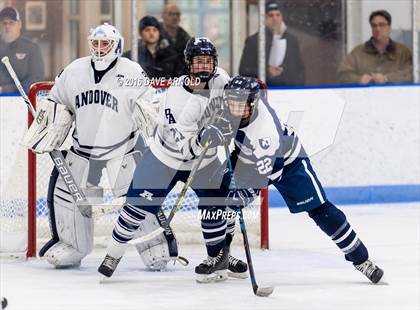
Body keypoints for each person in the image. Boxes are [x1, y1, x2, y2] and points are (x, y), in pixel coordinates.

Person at [98, 37, 247, 283]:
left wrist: (230, 119)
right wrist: (203, 137)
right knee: (135, 209)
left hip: (206, 161)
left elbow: (233, 105)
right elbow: (186, 149)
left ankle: (220, 256)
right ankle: (113, 255)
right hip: (165, 159)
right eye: (198, 62)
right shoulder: (176, 98)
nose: (204, 67)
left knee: (220, 205)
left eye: (208, 62)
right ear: (188, 64)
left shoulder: (221, 78)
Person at [217, 75, 385, 284]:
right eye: (232, 102)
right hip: (249, 156)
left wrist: (245, 193)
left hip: (287, 164)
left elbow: (270, 171)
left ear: (253, 103)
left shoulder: (266, 131)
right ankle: (221, 255)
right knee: (221, 199)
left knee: (322, 212)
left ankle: (362, 260)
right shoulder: (236, 107)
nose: (235, 108)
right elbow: (255, 86)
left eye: (240, 104)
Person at [21, 23, 158, 268]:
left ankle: (154, 246)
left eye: (105, 43)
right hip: (82, 148)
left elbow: (151, 105)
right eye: (95, 43)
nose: (99, 48)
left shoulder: (132, 72)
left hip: (123, 149)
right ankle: (72, 245)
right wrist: (49, 125)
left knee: (138, 196)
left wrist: (151, 121)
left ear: (117, 45)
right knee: (66, 194)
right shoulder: (74, 71)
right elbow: (57, 101)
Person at [238, 0, 304, 87]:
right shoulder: (254, 41)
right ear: (264, 18)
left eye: (278, 15)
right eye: (271, 15)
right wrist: (267, 72)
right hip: (264, 92)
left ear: (282, 17)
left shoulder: (292, 41)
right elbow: (244, 71)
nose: (275, 18)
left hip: (289, 92)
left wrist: (298, 88)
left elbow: (299, 69)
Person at [338, 10, 413, 84]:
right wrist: (358, 79)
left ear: (389, 28)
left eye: (382, 25)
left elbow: (412, 73)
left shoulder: (403, 52)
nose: (378, 29)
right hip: (365, 95)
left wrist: (387, 78)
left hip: (395, 95)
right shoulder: (358, 52)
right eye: (374, 25)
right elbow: (342, 74)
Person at [123, 15, 184, 80]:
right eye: (147, 30)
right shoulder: (132, 55)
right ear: (141, 33)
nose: (151, 33)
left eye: (155, 30)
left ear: (159, 33)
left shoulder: (171, 55)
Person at [0, 6, 44, 94]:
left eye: (11, 23)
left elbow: (35, 82)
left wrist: (4, 90)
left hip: (21, 101)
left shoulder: (31, 48)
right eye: (4, 23)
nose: (7, 26)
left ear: (19, 24)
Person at [160, 4, 191, 74]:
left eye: (177, 14)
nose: (175, 17)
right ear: (163, 16)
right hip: (157, 78)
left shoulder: (186, 38)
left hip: (180, 78)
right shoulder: (154, 35)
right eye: (170, 14)